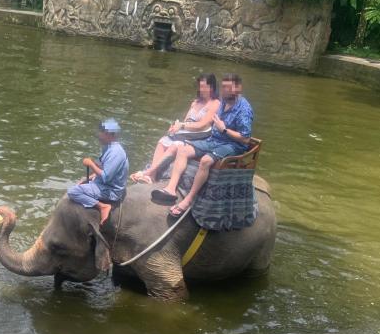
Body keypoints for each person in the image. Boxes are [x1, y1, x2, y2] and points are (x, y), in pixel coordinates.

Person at [152, 73, 254, 217]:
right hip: (214, 139)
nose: (224, 90)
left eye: (228, 87)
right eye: (223, 87)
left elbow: (246, 139)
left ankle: (188, 199)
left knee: (206, 160)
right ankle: (171, 189)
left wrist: (224, 129)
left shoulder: (244, 109)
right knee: (183, 150)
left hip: (232, 144)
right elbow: (207, 123)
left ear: (238, 88)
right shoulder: (223, 102)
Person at [130, 73, 219, 184]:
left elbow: (203, 125)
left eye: (204, 87)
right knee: (162, 141)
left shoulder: (215, 103)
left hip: (200, 136)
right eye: (200, 86)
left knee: (174, 146)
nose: (201, 89)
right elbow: (186, 121)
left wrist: (182, 126)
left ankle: (148, 172)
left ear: (211, 87)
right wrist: (176, 127)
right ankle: (152, 176)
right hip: (187, 133)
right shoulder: (195, 102)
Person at [67, 118, 129, 225]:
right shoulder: (108, 147)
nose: (99, 135)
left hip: (110, 190)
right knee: (80, 183)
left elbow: (106, 177)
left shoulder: (116, 152)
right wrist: (88, 178)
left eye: (101, 132)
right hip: (104, 184)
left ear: (108, 134)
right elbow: (102, 167)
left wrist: (90, 164)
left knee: (73, 191)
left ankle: (102, 206)